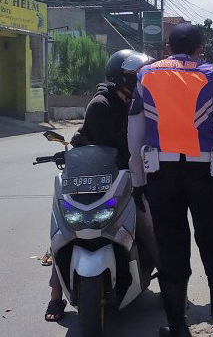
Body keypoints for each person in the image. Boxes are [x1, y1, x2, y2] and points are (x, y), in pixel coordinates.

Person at [128, 23, 213, 337]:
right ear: (199, 48)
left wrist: (138, 181)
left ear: (168, 47)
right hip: (204, 174)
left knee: (171, 250)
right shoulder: (212, 74)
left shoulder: (146, 75)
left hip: (160, 176)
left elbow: (134, 135)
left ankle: (178, 328)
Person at [45, 49, 159, 322]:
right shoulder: (101, 105)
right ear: (119, 79)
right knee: (63, 232)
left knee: (150, 226)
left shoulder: (135, 102)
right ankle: (55, 297)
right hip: (94, 179)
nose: (139, 83)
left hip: (123, 178)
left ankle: (170, 282)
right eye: (133, 78)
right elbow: (119, 146)